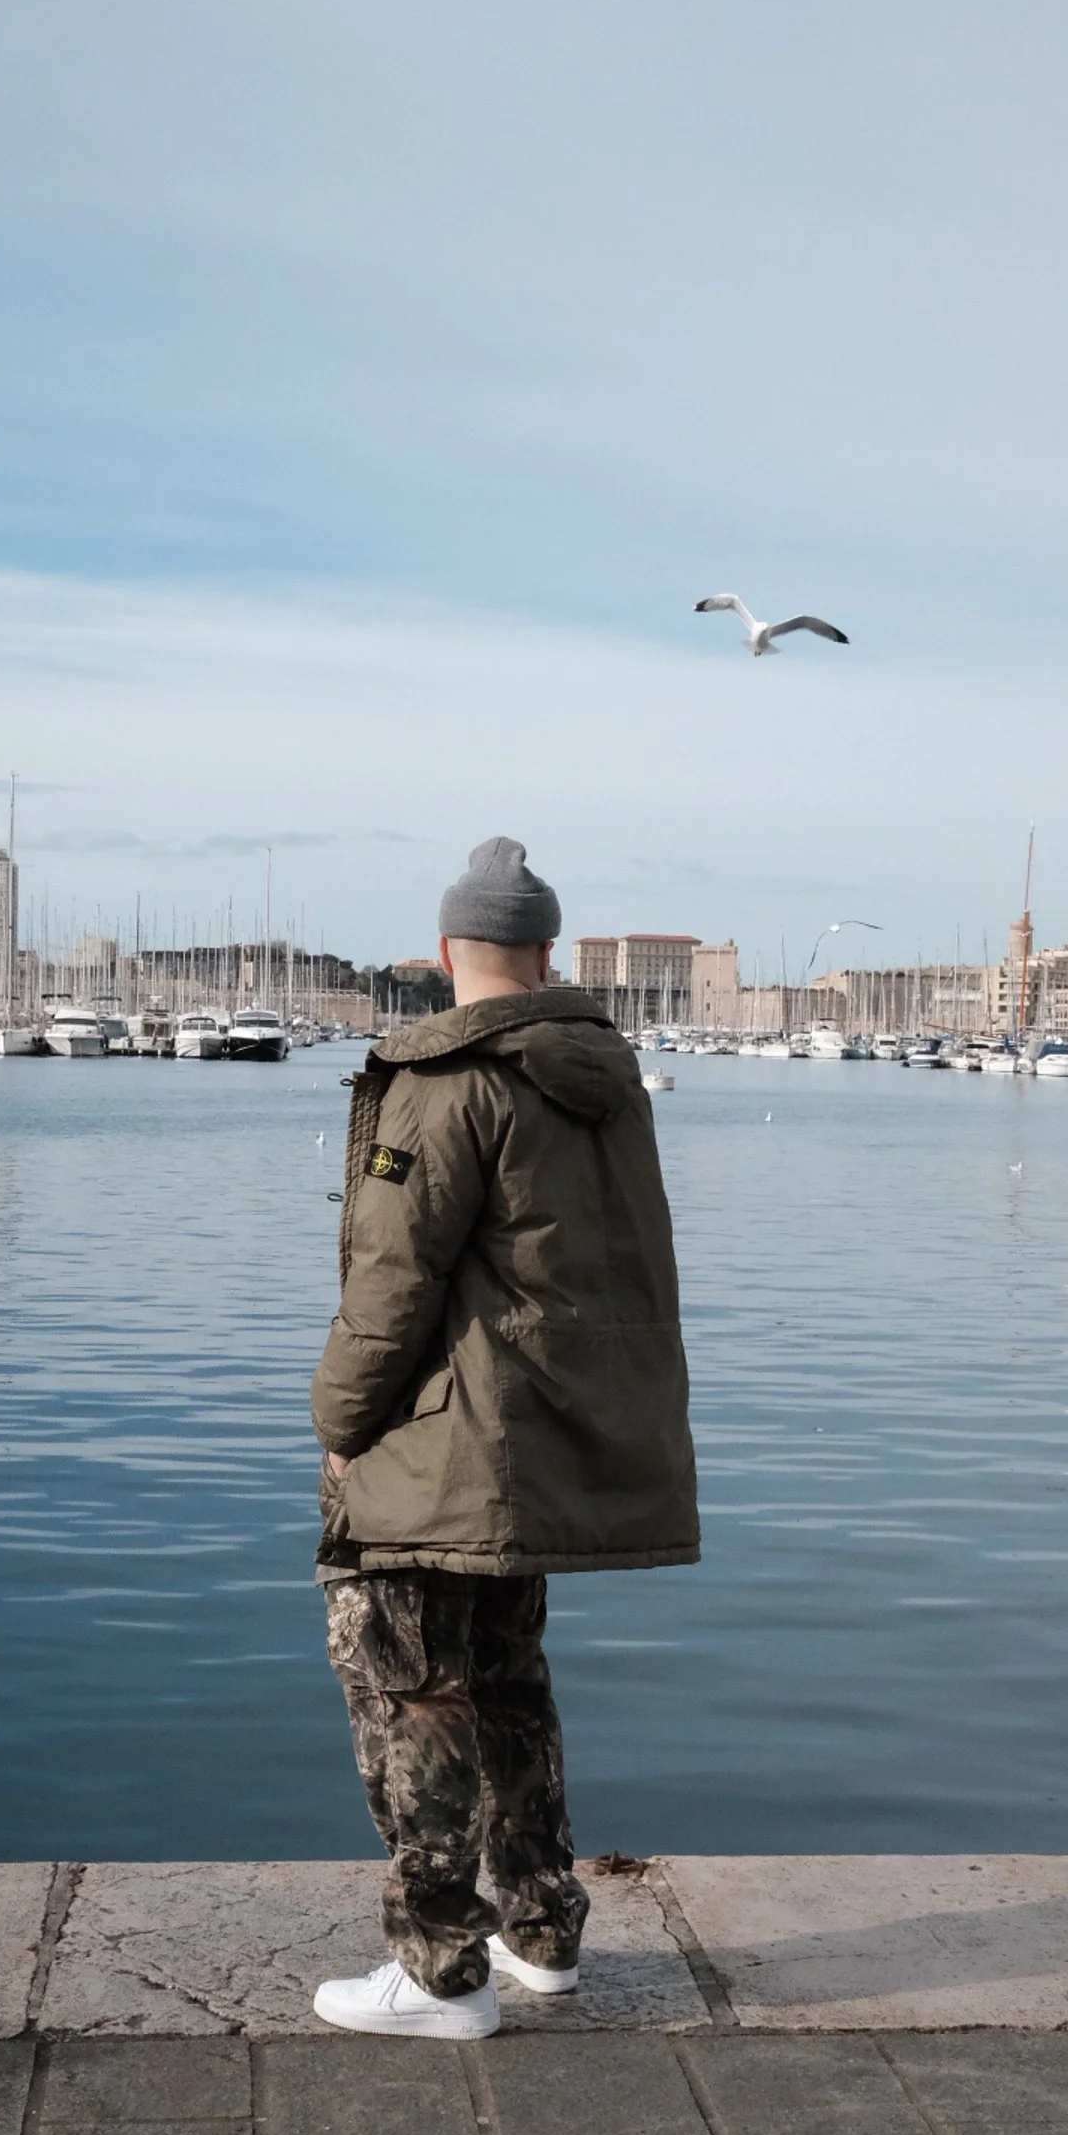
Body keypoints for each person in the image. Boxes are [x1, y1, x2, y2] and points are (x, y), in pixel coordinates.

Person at [309, 836, 699, 2038]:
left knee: (412, 1687)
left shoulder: (446, 1082)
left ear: (444, 955)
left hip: (441, 1446)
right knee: (510, 1682)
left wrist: (338, 1420)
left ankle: (439, 1973)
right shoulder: (605, 1080)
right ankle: (542, 1933)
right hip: (539, 1444)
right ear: (544, 953)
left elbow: (391, 1280)